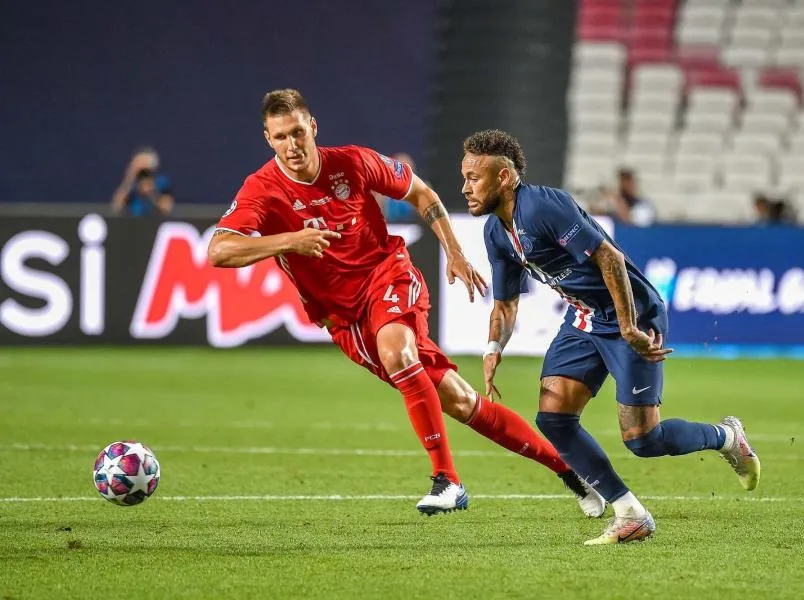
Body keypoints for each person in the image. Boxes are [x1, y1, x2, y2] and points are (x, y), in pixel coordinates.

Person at [207, 89, 606, 517]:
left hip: (387, 274)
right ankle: (569, 470)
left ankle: (447, 480)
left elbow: (422, 193)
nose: (292, 145)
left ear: (313, 127)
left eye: (298, 132)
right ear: (268, 139)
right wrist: (289, 241)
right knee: (461, 401)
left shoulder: (354, 162)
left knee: (397, 351)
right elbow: (219, 251)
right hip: (343, 317)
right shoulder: (262, 189)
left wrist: (454, 250)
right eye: (281, 137)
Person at [461, 129, 761, 545]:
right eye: (464, 177)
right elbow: (506, 303)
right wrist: (494, 347)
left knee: (643, 440)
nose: (466, 188)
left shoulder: (544, 206)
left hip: (630, 314)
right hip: (584, 318)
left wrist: (628, 326)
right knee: (554, 418)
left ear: (505, 177)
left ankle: (727, 437)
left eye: (474, 177)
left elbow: (610, 258)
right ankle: (630, 514)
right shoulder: (496, 232)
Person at [111, 147, 175, 217]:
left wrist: (151, 192)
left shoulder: (161, 182)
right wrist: (130, 179)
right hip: (133, 219)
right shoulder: (132, 184)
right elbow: (117, 207)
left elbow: (166, 208)